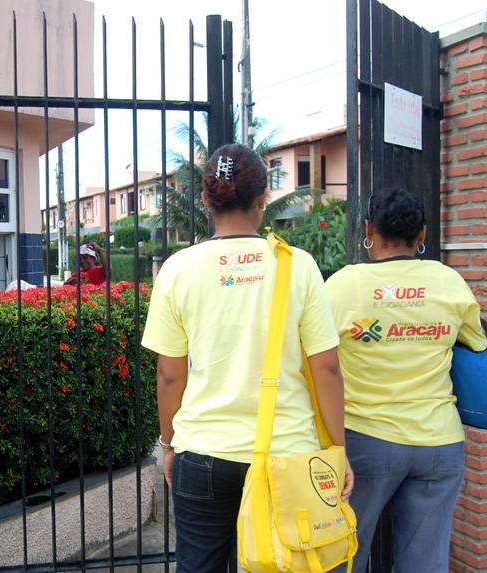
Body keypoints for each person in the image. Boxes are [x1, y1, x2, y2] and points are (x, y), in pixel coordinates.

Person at [141, 144, 353, 572]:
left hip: (202, 451)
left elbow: (169, 376)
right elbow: (327, 368)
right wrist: (338, 448)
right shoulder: (298, 266)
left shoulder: (178, 269)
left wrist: (168, 444)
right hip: (287, 454)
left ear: (206, 199)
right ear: (263, 198)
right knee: (288, 563)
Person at [325, 188, 487, 573]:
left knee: (342, 553)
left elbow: (315, 357)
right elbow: (477, 342)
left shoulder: (345, 285)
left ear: (369, 229)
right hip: (440, 443)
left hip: (366, 442)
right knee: (426, 563)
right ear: (422, 234)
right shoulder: (447, 281)